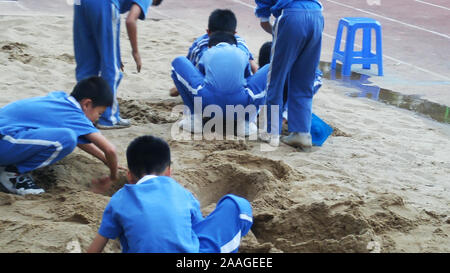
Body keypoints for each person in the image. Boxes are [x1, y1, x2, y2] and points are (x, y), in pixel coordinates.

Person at [87, 135, 253, 253]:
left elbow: (96, 247)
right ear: (169, 172)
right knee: (237, 205)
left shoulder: (118, 199)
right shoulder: (183, 193)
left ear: (129, 175)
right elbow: (196, 232)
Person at [0, 77, 120, 195]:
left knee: (66, 137)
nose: (98, 118)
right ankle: (12, 174)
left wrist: (106, 160)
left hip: (6, 137)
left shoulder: (60, 98)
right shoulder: (73, 114)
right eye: (100, 113)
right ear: (87, 104)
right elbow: (110, 149)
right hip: (4, 140)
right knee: (66, 139)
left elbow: (81, 140)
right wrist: (113, 177)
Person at [73, 0, 163, 129]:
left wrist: (115, 55)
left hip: (80, 3)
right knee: (112, 71)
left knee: (86, 66)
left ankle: (82, 115)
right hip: (105, 4)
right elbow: (130, 20)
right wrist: (135, 52)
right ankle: (109, 118)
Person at [254, 0, 324, 151]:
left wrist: (280, 35)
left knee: (275, 78)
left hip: (291, 16)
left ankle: (271, 132)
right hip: (317, 14)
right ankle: (302, 132)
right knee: (305, 78)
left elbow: (264, 21)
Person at [171, 31, 269, 136]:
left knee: (178, 61)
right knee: (269, 69)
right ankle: (246, 122)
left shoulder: (207, 53)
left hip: (208, 104)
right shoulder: (242, 53)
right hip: (240, 107)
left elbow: (201, 77)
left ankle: (195, 119)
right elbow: (248, 79)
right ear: (234, 45)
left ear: (210, 47)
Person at [170, 8, 258, 97]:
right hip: (239, 94)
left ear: (208, 32)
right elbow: (254, 68)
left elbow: (190, 71)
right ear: (234, 33)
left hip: (208, 94)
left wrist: (178, 89)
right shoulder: (241, 45)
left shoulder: (201, 45)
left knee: (181, 64)